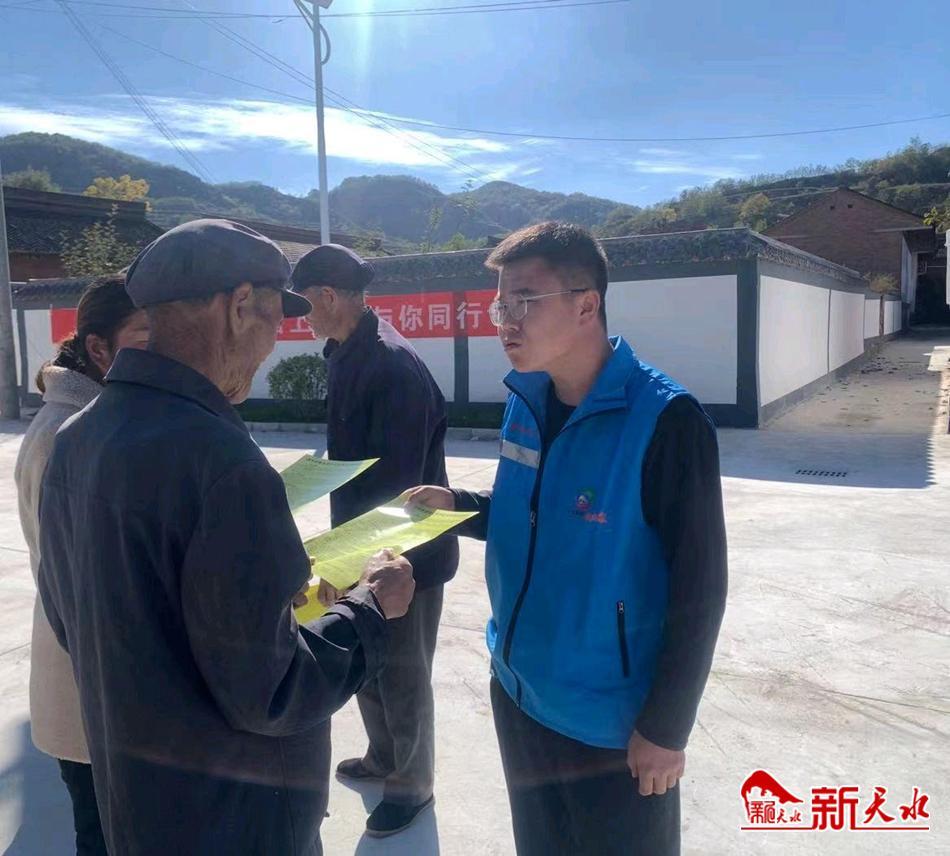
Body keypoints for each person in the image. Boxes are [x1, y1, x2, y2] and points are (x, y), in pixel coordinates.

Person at [37, 219, 415, 856]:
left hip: (137, 800)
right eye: (274, 319)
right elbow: (275, 692)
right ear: (240, 307)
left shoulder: (77, 437)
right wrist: (370, 606)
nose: (273, 344)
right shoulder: (223, 463)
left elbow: (71, 619)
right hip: (238, 816)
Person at [408, 222, 728, 855]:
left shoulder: (666, 420)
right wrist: (459, 506)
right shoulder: (525, 399)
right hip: (519, 691)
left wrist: (667, 728)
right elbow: (530, 513)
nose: (506, 322)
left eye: (525, 301)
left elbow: (701, 585)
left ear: (587, 305)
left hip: (612, 722)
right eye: (501, 305)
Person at [290, 244, 459, 838]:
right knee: (368, 662)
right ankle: (383, 757)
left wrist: (363, 563)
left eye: (303, 305)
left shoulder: (391, 365)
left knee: (404, 675)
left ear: (328, 296)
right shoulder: (347, 353)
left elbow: (400, 487)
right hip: (359, 545)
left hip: (404, 555)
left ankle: (412, 784)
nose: (301, 317)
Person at [15, 275, 149, 855]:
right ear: (98, 348)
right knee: (102, 837)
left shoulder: (103, 420)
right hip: (87, 690)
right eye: (146, 337)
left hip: (104, 684)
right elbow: (83, 582)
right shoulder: (66, 436)